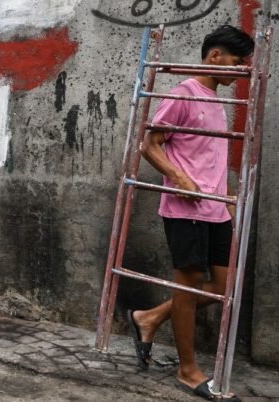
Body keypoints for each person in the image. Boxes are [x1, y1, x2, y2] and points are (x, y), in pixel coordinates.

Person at [130, 25, 254, 402]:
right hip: (186, 209)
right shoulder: (183, 93)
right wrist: (180, 178)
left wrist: (227, 199)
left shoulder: (217, 102)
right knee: (188, 284)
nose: (242, 71)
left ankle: (150, 317)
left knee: (224, 288)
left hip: (217, 210)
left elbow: (211, 156)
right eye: (238, 62)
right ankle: (187, 370)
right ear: (215, 56)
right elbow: (149, 143)